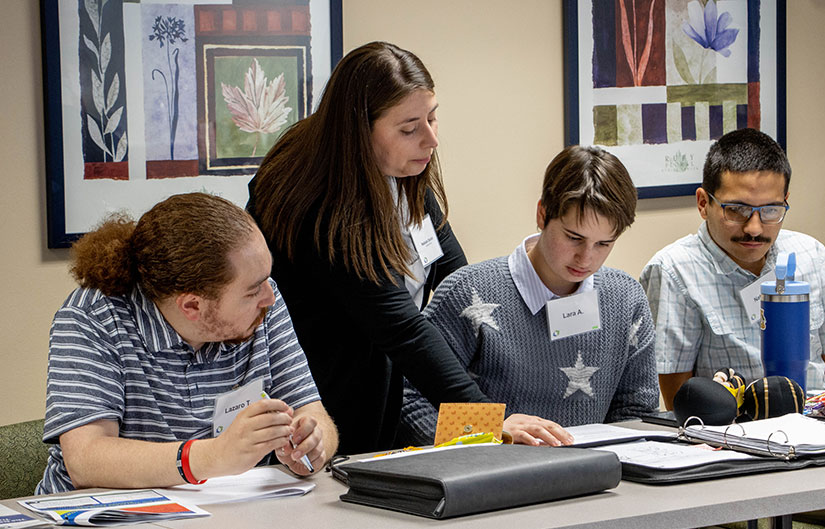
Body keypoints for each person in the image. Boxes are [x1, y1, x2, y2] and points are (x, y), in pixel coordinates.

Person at [247, 41, 487, 455]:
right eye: (409, 128)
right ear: (359, 130)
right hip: (319, 402)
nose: (430, 139)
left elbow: (459, 282)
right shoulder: (320, 204)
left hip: (384, 383)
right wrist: (489, 420)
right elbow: (403, 330)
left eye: (432, 119)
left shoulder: (402, 169)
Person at [37, 193, 338, 495]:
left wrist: (311, 444)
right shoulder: (92, 317)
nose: (269, 297)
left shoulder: (263, 305)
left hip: (224, 508)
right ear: (192, 306)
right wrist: (214, 456)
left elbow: (312, 411)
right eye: (251, 291)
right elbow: (87, 461)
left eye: (266, 279)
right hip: (105, 513)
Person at [399, 145, 659, 447]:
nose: (586, 258)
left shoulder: (625, 299)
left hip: (594, 480)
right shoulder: (467, 293)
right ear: (542, 214)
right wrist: (493, 431)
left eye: (604, 244)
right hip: (490, 480)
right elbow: (407, 401)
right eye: (574, 238)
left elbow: (635, 415)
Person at [639, 128, 825, 408]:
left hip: (818, 424)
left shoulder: (811, 254)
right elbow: (680, 400)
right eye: (736, 210)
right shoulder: (674, 271)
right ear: (703, 203)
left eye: (771, 210)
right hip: (734, 432)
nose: (755, 228)